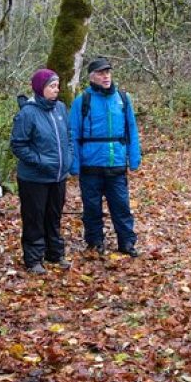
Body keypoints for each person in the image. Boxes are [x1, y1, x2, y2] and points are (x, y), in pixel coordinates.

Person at [69, 57, 142, 257]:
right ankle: (95, 242)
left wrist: (134, 157)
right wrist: (74, 165)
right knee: (91, 208)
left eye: (108, 72)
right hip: (90, 165)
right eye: (101, 73)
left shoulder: (122, 99)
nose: (106, 76)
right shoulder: (81, 101)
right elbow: (73, 134)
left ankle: (126, 242)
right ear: (92, 77)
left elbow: (131, 129)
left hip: (116, 163)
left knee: (121, 206)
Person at [10, 68, 73, 273]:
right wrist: (39, 161)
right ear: (40, 88)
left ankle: (55, 254)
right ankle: (34, 259)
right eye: (52, 86)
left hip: (58, 175)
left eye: (57, 86)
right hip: (34, 177)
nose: (56, 90)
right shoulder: (28, 113)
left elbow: (68, 137)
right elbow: (18, 145)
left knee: (54, 216)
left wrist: (68, 157)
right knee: (34, 218)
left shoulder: (60, 109)